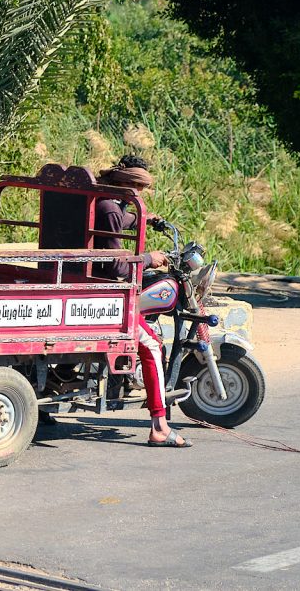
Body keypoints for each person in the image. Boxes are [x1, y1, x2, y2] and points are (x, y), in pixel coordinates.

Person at [94, 156, 191, 448]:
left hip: (79, 280)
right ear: (129, 186)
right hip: (102, 294)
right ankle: (160, 426)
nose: (141, 196)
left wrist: (146, 218)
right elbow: (117, 269)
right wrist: (150, 258)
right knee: (151, 345)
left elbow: (118, 220)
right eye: (139, 189)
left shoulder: (101, 201)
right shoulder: (110, 208)